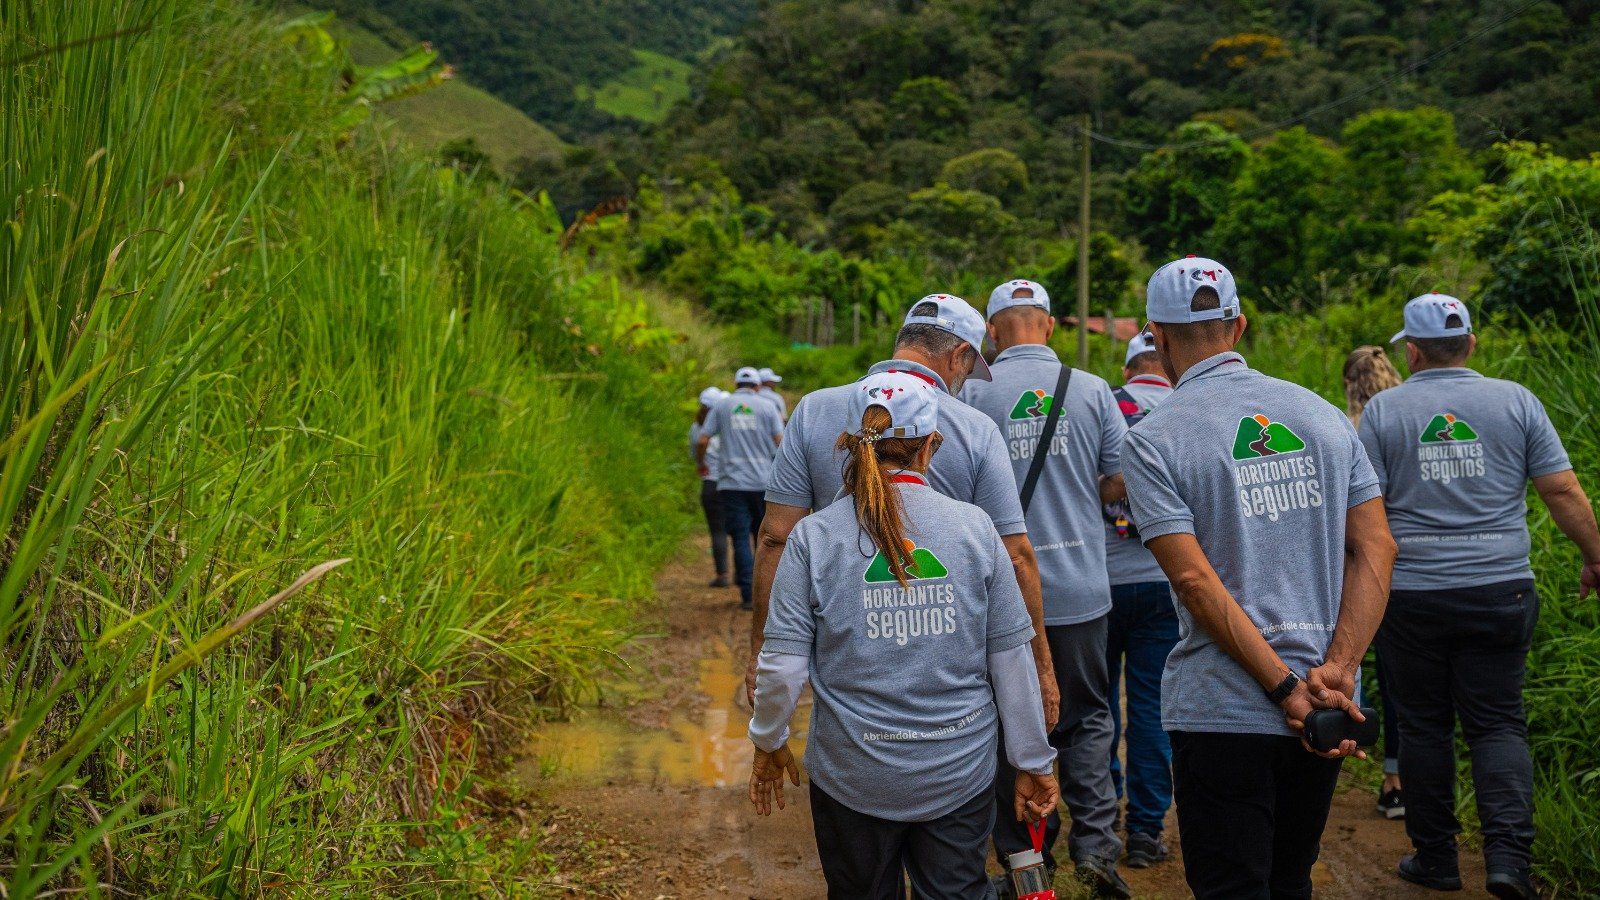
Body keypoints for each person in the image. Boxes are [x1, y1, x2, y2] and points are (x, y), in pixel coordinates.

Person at [1120, 256, 1397, 900]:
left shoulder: (1153, 438)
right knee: (1290, 875)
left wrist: (1282, 691)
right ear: (1239, 325)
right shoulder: (1323, 416)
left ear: (1156, 335)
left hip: (1221, 707)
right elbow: (1376, 546)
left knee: (1230, 885)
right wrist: (1338, 669)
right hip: (1325, 704)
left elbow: (1193, 580)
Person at [747, 371, 1060, 898]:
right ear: (930, 446)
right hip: (958, 772)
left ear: (846, 443)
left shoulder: (813, 537)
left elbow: (782, 666)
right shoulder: (976, 529)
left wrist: (768, 742)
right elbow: (1012, 660)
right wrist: (1032, 762)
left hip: (852, 775)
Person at [1359, 294, 1600, 899]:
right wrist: (1596, 557)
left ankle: (1437, 859)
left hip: (1412, 596)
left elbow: (1360, 513)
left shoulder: (1384, 413)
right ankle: (1508, 863)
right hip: (1502, 591)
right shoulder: (1516, 401)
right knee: (1498, 726)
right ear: (1471, 343)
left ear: (1411, 351)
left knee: (1423, 728)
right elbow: (1563, 491)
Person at [749, 294, 1061, 734]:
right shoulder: (974, 428)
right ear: (960, 356)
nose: (965, 382)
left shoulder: (813, 410)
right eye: (969, 370)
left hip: (852, 654)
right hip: (951, 664)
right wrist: (1042, 669)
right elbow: (1015, 557)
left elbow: (775, 538)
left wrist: (761, 651)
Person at [959, 278, 1131, 898]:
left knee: (1013, 728)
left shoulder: (971, 396)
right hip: (1082, 590)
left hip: (1001, 599)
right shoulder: (1092, 391)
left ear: (992, 331)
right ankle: (1097, 856)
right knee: (1087, 721)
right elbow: (1117, 484)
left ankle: (1026, 865)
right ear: (1051, 327)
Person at [1101, 329, 1179, 868]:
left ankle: (1100, 822)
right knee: (1151, 708)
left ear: (1129, 370)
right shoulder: (1187, 406)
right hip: (1166, 579)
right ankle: (1146, 831)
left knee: (1097, 709)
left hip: (1100, 581)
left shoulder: (1106, 404)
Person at [1341, 344, 1407, 819]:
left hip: (1370, 567)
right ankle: (1402, 779)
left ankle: (1352, 749)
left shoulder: (1350, 431)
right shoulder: (1412, 419)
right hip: (1426, 570)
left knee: (1371, 667)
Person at [698, 367, 784, 610]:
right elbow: (781, 442)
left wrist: (700, 463)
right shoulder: (768, 407)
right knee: (763, 538)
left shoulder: (722, 407)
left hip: (731, 483)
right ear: (757, 386)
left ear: (736, 384)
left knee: (739, 537)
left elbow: (703, 439)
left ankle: (748, 595)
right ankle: (766, 594)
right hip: (763, 483)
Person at [690, 386, 733, 588]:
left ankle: (722, 574)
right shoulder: (729, 425)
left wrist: (701, 465)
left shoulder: (696, 428)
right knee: (744, 532)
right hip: (732, 482)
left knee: (717, 530)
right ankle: (747, 576)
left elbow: (695, 453)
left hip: (710, 483)